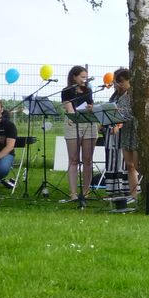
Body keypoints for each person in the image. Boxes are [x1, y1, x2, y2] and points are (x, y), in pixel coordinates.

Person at [61, 65, 96, 202]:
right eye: (82, 77)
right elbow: (69, 108)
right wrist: (73, 115)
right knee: (74, 159)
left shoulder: (88, 90)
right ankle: (73, 194)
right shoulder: (67, 91)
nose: (84, 79)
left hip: (88, 122)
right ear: (74, 77)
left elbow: (91, 104)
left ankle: (86, 192)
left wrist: (91, 107)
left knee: (88, 160)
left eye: (86, 77)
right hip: (73, 122)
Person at [111, 68, 139, 201]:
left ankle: (144, 192)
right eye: (118, 81)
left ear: (129, 80)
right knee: (129, 165)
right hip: (126, 132)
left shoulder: (136, 94)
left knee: (138, 165)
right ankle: (133, 195)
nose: (120, 84)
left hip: (136, 131)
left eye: (122, 81)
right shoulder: (119, 96)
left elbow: (134, 113)